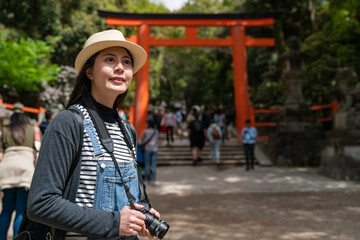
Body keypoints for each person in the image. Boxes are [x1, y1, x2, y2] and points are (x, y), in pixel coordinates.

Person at [25, 29, 160, 239]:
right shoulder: (68, 123)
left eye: (126, 62)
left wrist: (139, 216)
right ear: (89, 72)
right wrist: (115, 222)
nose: (120, 68)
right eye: (110, 59)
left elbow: (123, 200)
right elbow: (41, 203)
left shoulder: (128, 130)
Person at [0, 103, 37, 240]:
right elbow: (34, 149)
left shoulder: (5, 129)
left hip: (7, 168)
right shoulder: (31, 129)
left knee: (6, 210)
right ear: (23, 113)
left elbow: (0, 154)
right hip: (25, 168)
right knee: (21, 209)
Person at [139, 120, 159, 185]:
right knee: (153, 165)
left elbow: (142, 141)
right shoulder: (156, 132)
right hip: (154, 149)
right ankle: (154, 180)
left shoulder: (146, 131)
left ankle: (146, 180)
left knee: (147, 165)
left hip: (147, 149)